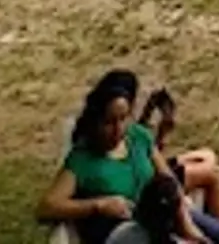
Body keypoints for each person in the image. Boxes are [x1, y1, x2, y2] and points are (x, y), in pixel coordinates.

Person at [39, 71, 155, 241]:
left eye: (123, 119)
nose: (118, 130)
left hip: (154, 222)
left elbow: (168, 179)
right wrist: (98, 205)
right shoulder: (84, 159)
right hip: (122, 234)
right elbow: (47, 207)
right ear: (96, 122)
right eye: (109, 122)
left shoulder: (138, 137)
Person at [142, 84, 219, 244]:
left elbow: (157, 155)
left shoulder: (141, 133)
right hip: (156, 179)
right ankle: (214, 231)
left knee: (208, 156)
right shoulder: (138, 136)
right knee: (215, 174)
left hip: (161, 166)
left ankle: (213, 228)